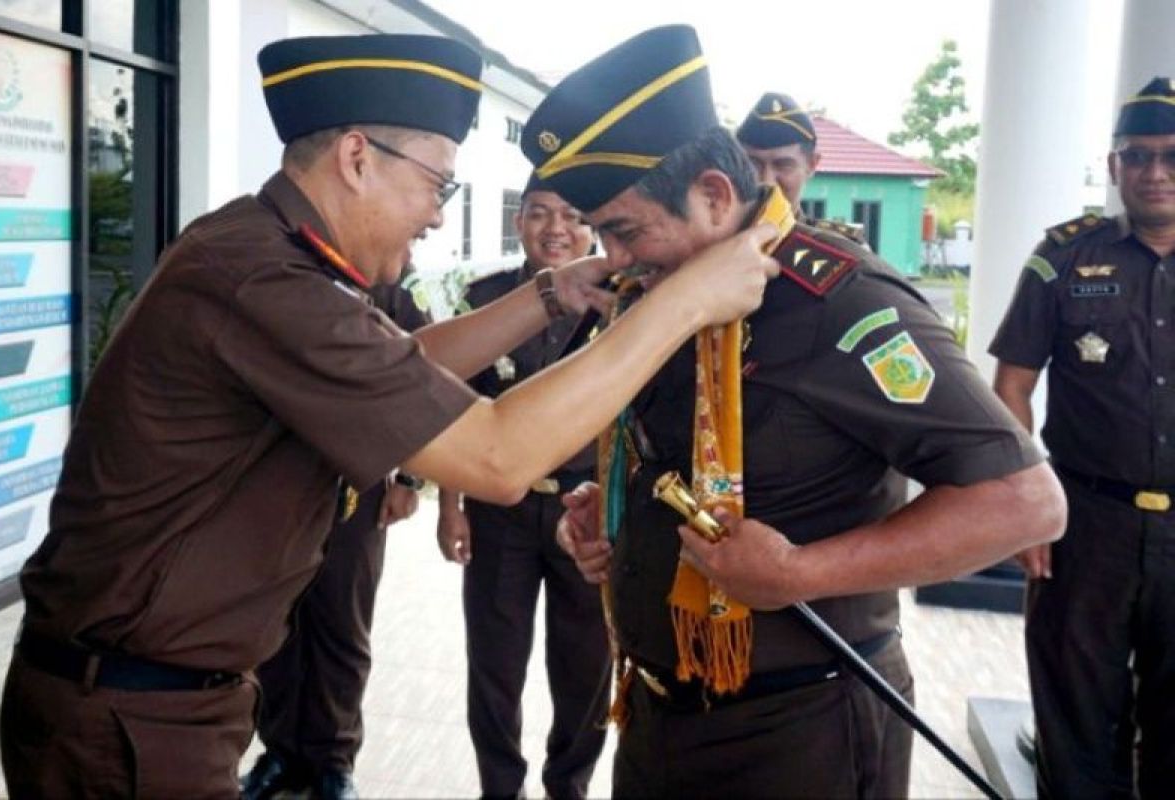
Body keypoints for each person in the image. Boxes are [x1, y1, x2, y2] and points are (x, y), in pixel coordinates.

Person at [0, 32, 781, 797]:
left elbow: (407, 367)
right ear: (357, 159)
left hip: (159, 702)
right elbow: (497, 458)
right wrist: (684, 301)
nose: (439, 217)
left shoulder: (267, 253)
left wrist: (548, 292)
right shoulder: (265, 281)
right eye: (438, 184)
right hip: (132, 721)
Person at [523, 24, 1067, 798]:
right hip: (657, 716)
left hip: (801, 732)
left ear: (713, 194)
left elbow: (1024, 503)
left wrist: (800, 572)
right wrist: (608, 511)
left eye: (623, 230)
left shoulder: (841, 302)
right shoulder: (656, 293)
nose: (609, 259)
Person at [989, 76, 1175, 799]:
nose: (1154, 172)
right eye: (1137, 156)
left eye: (1169, 155)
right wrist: (1024, 504)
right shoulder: (1062, 259)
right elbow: (1010, 388)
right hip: (1086, 527)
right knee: (1076, 721)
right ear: (1113, 165)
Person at [436, 175, 610, 800]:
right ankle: (499, 788)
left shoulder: (622, 301)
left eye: (570, 215)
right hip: (498, 510)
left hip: (588, 511)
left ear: (592, 228)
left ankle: (570, 785)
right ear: (519, 223)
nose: (555, 229)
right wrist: (450, 509)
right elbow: (456, 405)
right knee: (494, 665)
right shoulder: (488, 300)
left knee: (586, 668)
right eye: (538, 214)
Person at [242, 275, 431, 800]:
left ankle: (333, 759)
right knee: (277, 625)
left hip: (356, 489)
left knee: (342, 627)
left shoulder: (392, 281)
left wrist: (410, 478)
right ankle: (280, 751)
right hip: (280, 487)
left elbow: (429, 377)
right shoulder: (284, 273)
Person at [736, 91, 864, 243]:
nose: (766, 182)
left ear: (811, 165)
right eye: (752, 164)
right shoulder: (715, 242)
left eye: (783, 165)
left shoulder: (835, 247)